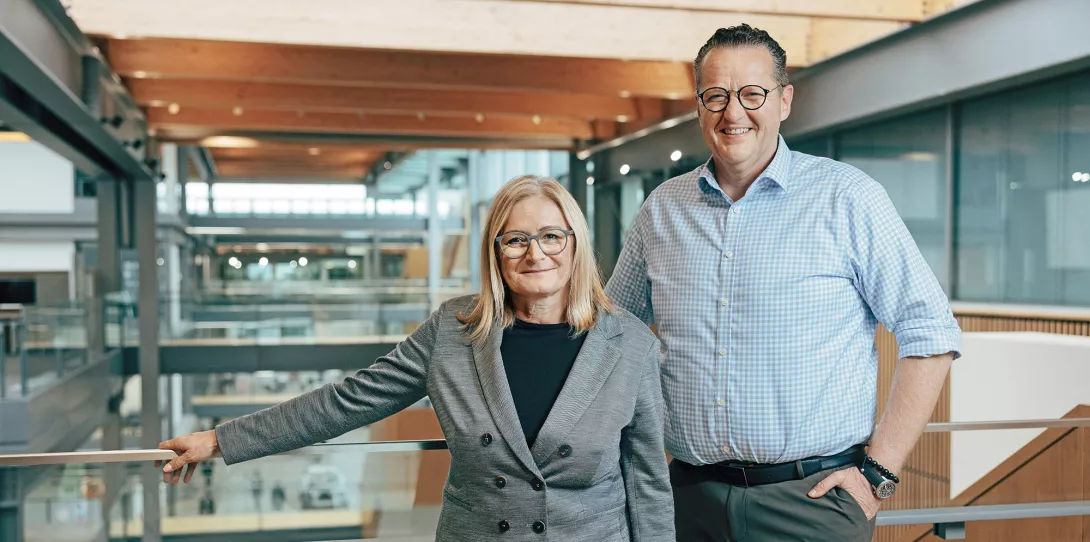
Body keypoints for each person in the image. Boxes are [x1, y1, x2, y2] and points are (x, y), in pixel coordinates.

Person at [157, 175, 674, 541]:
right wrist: (221, 439)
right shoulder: (453, 331)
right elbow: (346, 402)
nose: (534, 254)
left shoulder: (629, 344)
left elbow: (648, 482)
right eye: (515, 239)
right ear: (495, 252)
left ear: (576, 244)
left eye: (550, 236)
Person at [605, 24, 961, 541]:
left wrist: (877, 474)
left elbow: (930, 332)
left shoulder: (847, 198)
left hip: (814, 504)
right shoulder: (662, 209)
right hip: (685, 500)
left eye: (753, 94)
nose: (733, 113)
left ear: (784, 100)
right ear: (698, 104)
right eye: (716, 95)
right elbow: (611, 335)